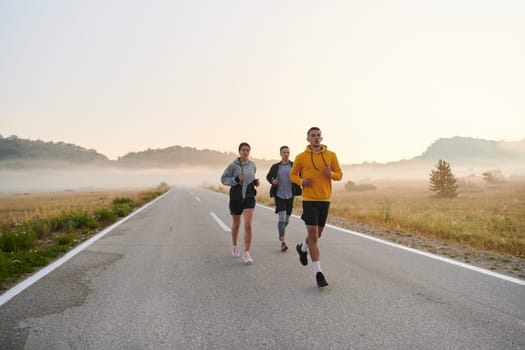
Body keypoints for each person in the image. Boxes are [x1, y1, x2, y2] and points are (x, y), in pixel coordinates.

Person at [289, 127, 342, 287]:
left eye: (318, 135)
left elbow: (339, 174)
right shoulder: (301, 157)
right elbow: (292, 175)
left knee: (316, 235)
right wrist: (301, 182)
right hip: (309, 199)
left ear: (322, 138)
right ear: (308, 139)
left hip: (325, 199)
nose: (316, 138)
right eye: (313, 136)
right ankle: (318, 273)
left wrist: (330, 175)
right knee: (312, 233)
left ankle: (303, 249)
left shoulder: (331, 155)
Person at [221, 142, 260, 264]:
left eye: (248, 150)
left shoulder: (252, 165)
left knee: (248, 225)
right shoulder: (233, 165)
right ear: (239, 151)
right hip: (236, 197)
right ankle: (234, 246)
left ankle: (247, 253)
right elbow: (223, 179)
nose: (245, 152)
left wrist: (255, 183)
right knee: (236, 224)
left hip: (249, 197)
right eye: (243, 150)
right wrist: (236, 179)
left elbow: (251, 178)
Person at [266, 146, 302, 252]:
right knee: (281, 218)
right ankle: (282, 241)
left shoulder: (294, 165)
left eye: (288, 152)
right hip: (279, 195)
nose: (286, 154)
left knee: (286, 220)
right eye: (284, 152)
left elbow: (300, 175)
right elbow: (268, 177)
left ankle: (281, 229)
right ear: (280, 154)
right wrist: (272, 182)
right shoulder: (275, 166)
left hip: (290, 195)